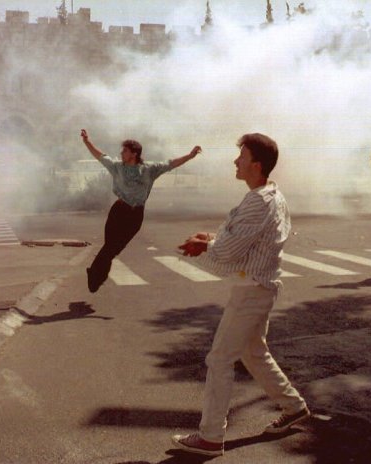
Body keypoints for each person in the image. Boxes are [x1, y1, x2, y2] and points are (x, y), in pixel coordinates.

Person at [171, 134, 309, 457]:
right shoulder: (270, 195)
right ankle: (294, 407)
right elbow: (241, 239)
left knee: (219, 359)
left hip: (251, 291)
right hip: (261, 287)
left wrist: (202, 247)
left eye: (241, 156)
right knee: (254, 354)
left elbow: (229, 253)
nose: (236, 162)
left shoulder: (259, 200)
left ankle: (209, 437)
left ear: (256, 165)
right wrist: (212, 239)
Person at [81, 128, 202, 292]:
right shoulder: (117, 167)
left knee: (115, 249)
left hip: (135, 215)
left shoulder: (149, 169)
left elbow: (171, 163)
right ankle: (96, 277)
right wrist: (87, 141)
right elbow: (100, 156)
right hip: (118, 211)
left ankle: (95, 274)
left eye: (125, 150)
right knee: (109, 246)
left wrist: (190, 155)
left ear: (134, 153)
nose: (121, 153)